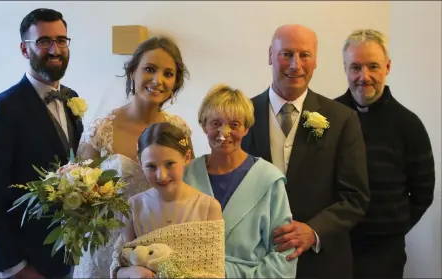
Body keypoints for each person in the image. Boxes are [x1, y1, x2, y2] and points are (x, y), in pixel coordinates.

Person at [240, 24, 370, 278]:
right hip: (253, 262)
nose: (295, 65)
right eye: (286, 54)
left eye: (304, 55)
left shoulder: (343, 119)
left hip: (321, 264)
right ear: (270, 55)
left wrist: (314, 231)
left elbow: (355, 197)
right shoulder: (241, 115)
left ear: (315, 60)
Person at [0, 8, 83, 279]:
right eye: (44, 41)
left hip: (71, 257)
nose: (55, 49)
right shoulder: (2, 109)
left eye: (61, 40)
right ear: (25, 49)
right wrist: (15, 268)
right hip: (28, 262)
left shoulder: (72, 98)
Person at [73, 35, 194, 278]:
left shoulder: (179, 130)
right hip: (105, 249)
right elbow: (79, 198)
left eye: (168, 74)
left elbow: (187, 190)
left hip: (157, 248)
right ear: (132, 73)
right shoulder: (100, 129)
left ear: (176, 82)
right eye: (149, 69)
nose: (158, 80)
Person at [334, 29, 435, 278]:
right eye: (355, 67)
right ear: (345, 67)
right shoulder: (328, 116)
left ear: (387, 67)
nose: (363, 77)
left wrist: (393, 228)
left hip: (384, 254)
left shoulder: (408, 125)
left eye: (373, 67)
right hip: (334, 246)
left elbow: (423, 193)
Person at [184, 83, 297, 278]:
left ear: (246, 128)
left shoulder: (269, 179)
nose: (224, 132)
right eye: (215, 123)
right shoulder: (187, 175)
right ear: (203, 125)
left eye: (234, 124)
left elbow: (284, 252)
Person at [111, 122, 223, 278]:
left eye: (169, 164)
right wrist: (131, 272)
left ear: (187, 157)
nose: (161, 175)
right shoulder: (134, 206)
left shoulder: (208, 207)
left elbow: (214, 272)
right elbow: (120, 265)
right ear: (140, 163)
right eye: (151, 166)